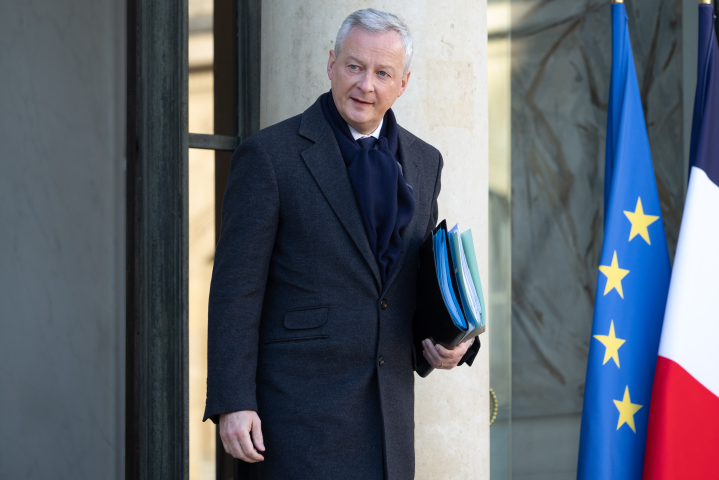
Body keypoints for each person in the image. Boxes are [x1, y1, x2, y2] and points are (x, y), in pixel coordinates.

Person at [203, 8, 480, 480]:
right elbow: (236, 290)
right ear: (331, 63)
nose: (365, 85)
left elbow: (411, 283)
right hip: (294, 421)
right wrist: (233, 401)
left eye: (382, 73)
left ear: (404, 82)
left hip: (388, 421)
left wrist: (448, 343)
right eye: (354, 66)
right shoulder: (269, 156)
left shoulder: (424, 160)